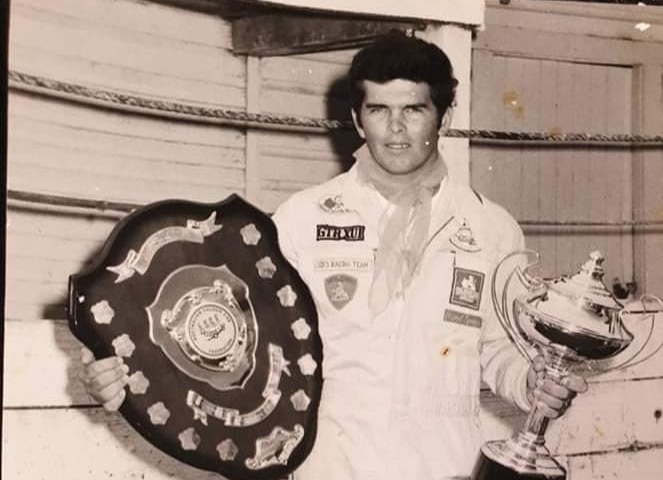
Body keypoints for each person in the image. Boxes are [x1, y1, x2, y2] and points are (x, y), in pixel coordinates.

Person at [81, 32, 587, 480]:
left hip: (447, 464)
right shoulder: (301, 218)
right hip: (332, 464)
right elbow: (234, 338)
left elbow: (502, 351)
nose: (395, 129)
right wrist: (124, 371)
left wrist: (533, 385)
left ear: (445, 116)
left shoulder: (490, 226)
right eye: (378, 110)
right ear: (355, 118)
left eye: (413, 109)